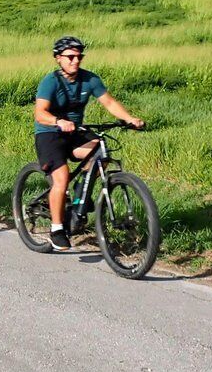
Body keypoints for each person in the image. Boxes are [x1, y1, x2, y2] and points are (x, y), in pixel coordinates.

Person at [34, 36, 144, 252]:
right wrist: (58, 121)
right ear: (58, 59)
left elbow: (109, 102)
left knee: (100, 152)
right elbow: (40, 113)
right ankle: (57, 230)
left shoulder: (89, 79)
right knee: (61, 177)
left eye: (79, 56)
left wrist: (130, 119)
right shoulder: (50, 82)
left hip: (75, 132)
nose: (76, 61)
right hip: (49, 133)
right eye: (70, 57)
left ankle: (79, 197)